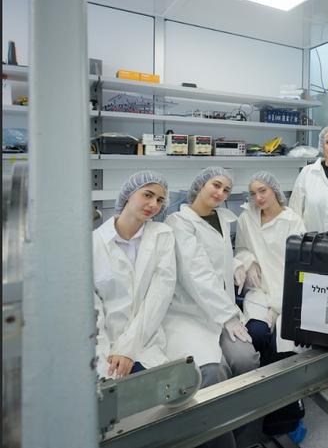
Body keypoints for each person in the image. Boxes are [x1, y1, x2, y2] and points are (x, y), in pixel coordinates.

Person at [164, 167, 260, 448]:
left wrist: (242, 262)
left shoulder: (223, 218)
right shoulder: (178, 221)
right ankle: (219, 442)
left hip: (223, 311)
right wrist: (229, 316)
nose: (220, 193)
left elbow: (222, 259)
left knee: (247, 361)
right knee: (213, 373)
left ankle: (246, 436)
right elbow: (197, 273)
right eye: (215, 185)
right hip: (190, 315)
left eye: (227, 190)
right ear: (200, 185)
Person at [94, 171, 176, 380]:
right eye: (147, 195)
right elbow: (91, 310)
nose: (154, 205)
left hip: (145, 341)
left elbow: (159, 297)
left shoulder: (162, 236)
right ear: (128, 194)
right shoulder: (93, 243)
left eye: (159, 200)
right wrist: (103, 356)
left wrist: (127, 348)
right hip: (102, 346)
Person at [234, 171, 306, 361]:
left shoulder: (293, 221)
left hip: (286, 291)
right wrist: (247, 261)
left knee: (281, 345)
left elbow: (299, 265)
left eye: (262, 190)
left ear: (274, 189)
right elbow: (240, 249)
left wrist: (276, 307)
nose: (258, 198)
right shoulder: (246, 218)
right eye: (253, 193)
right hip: (258, 290)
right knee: (256, 333)